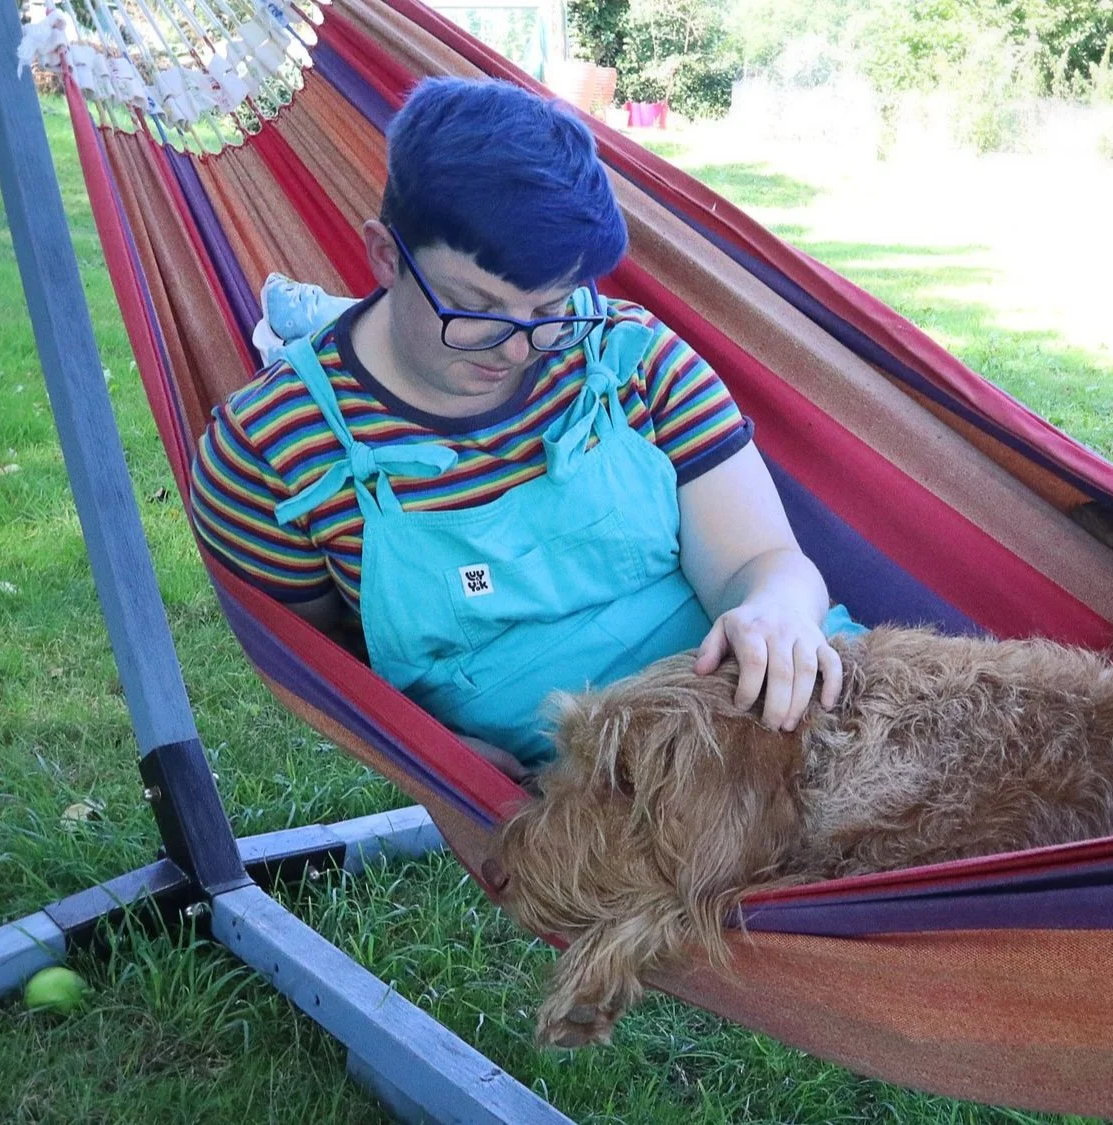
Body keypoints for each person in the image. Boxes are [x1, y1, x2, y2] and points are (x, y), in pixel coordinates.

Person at [189, 76, 854, 781]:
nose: (517, 350)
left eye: (552, 309)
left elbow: (762, 561)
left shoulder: (633, 356)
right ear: (385, 256)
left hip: (785, 704)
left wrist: (778, 610)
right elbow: (323, 673)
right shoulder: (267, 452)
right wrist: (422, 749)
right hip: (603, 806)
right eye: (477, 309)